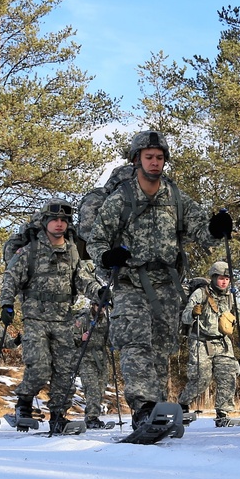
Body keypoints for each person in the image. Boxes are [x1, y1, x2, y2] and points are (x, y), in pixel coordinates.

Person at [85, 130, 231, 429]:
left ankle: (159, 411)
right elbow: (96, 240)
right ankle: (144, 407)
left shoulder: (177, 198)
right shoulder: (119, 200)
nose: (155, 162)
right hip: (130, 283)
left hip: (167, 286)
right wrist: (106, 257)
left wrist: (217, 228)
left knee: (161, 349)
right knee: (135, 344)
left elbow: (201, 232)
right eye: (149, 157)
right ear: (136, 160)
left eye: (160, 157)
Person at [0, 198, 103, 433]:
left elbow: (82, 279)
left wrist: (99, 292)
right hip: (35, 318)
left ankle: (58, 414)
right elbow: (10, 278)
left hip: (64, 318)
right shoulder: (30, 250)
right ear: (45, 222)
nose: (59, 224)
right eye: (54, 219)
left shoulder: (73, 251)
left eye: (63, 220)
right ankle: (24, 404)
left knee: (65, 371)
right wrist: (6, 304)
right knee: (40, 367)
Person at [177, 261, 240, 427]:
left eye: (227, 279)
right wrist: (193, 312)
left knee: (229, 374)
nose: (224, 282)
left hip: (222, 342)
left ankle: (223, 414)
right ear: (213, 278)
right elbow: (185, 316)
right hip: (201, 341)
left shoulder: (230, 297)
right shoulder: (200, 293)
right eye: (221, 278)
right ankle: (182, 405)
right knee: (201, 378)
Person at [73, 298, 112, 429]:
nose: (102, 309)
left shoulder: (107, 320)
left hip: (101, 359)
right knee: (92, 388)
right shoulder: (83, 319)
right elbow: (71, 338)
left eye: (104, 306)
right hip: (86, 358)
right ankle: (91, 417)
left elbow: (108, 339)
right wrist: (80, 338)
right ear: (93, 305)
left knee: (101, 388)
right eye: (99, 305)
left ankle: (92, 415)